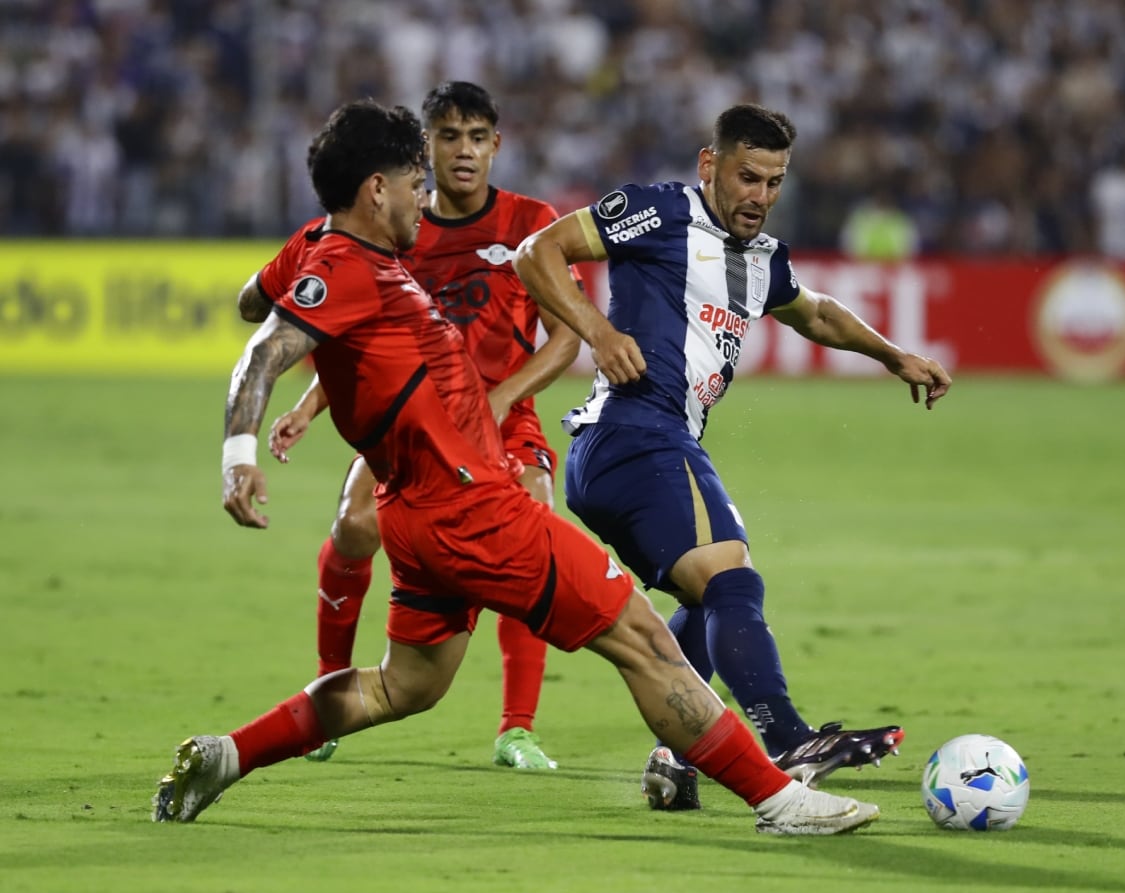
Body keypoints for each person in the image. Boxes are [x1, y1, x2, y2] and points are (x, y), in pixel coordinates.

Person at [153, 99, 881, 836]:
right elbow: (264, 349)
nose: (424, 200)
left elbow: (255, 301)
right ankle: (780, 800)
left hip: (415, 517)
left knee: (402, 687)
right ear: (376, 190)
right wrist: (238, 456)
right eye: (412, 183)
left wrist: (298, 259)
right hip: (473, 509)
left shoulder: (321, 248)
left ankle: (228, 754)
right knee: (646, 641)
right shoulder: (348, 266)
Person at [513, 103, 952, 810]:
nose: (761, 197)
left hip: (640, 448)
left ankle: (677, 752)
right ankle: (783, 737)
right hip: (633, 431)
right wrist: (595, 330)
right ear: (709, 165)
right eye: (748, 177)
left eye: (776, 182)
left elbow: (816, 312)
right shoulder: (657, 212)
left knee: (709, 597)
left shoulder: (762, 260)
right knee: (733, 582)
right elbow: (539, 251)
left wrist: (893, 355)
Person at [238, 82, 580, 770]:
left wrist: (502, 398)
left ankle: (517, 728)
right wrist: (310, 405)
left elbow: (568, 337)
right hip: (419, 423)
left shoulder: (529, 223)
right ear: (424, 149)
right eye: (448, 137)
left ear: (496, 147)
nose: (463, 151)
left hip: (505, 416)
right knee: (352, 524)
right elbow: (362, 338)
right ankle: (330, 683)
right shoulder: (398, 228)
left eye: (477, 137)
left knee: (536, 528)